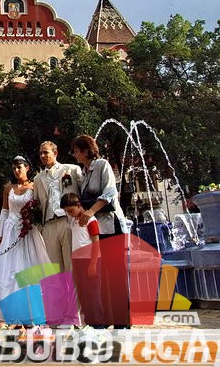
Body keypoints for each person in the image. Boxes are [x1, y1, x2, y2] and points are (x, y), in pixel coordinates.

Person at [0, 156, 50, 323]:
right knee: (5, 269)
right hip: (11, 229)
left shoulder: (34, 186)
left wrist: (32, 218)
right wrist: (1, 234)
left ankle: (31, 311)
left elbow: (40, 206)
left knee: (28, 264)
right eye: (14, 168)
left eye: (19, 167)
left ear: (27, 168)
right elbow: (5, 211)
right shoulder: (8, 188)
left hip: (28, 230)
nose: (16, 171)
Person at [71, 134, 128, 327]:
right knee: (101, 275)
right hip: (97, 228)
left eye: (77, 151)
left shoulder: (103, 165)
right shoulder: (84, 173)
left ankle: (122, 319)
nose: (75, 155)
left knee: (116, 271)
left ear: (86, 151)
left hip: (111, 224)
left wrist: (91, 211)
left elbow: (110, 192)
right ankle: (106, 317)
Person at [34, 141, 83, 272]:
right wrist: (41, 228)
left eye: (45, 152)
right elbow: (36, 204)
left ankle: (73, 287)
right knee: (54, 268)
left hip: (68, 221)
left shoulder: (72, 170)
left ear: (55, 153)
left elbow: (83, 193)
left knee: (71, 264)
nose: (42, 156)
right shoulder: (37, 179)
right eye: (40, 153)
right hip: (48, 225)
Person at [60, 192, 103, 327]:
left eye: (71, 210)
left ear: (78, 205)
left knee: (93, 293)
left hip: (89, 260)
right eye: (67, 212)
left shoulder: (91, 220)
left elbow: (96, 243)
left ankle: (98, 323)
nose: (70, 214)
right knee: (83, 293)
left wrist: (93, 263)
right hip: (78, 262)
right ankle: (89, 322)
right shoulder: (73, 222)